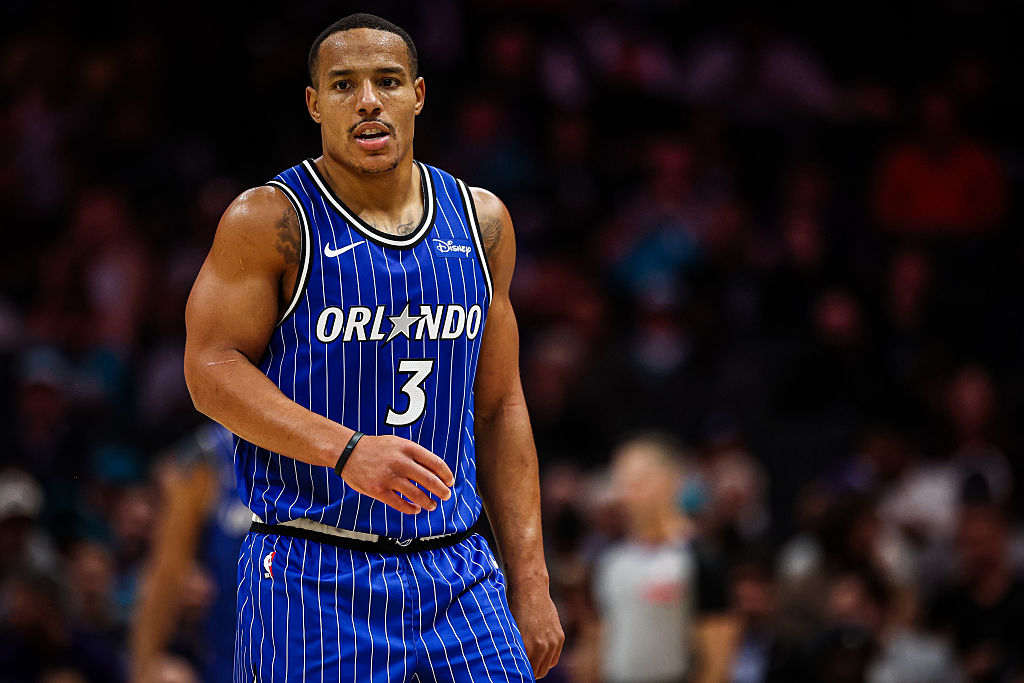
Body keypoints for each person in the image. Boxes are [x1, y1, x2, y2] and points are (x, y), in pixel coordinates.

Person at [183, 12, 563, 682]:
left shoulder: (482, 222)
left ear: (418, 94)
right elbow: (210, 369)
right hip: (313, 570)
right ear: (314, 103)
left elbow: (501, 404)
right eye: (343, 84)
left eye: (387, 81)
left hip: (458, 570)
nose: (367, 100)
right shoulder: (267, 219)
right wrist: (347, 449)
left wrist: (530, 578)